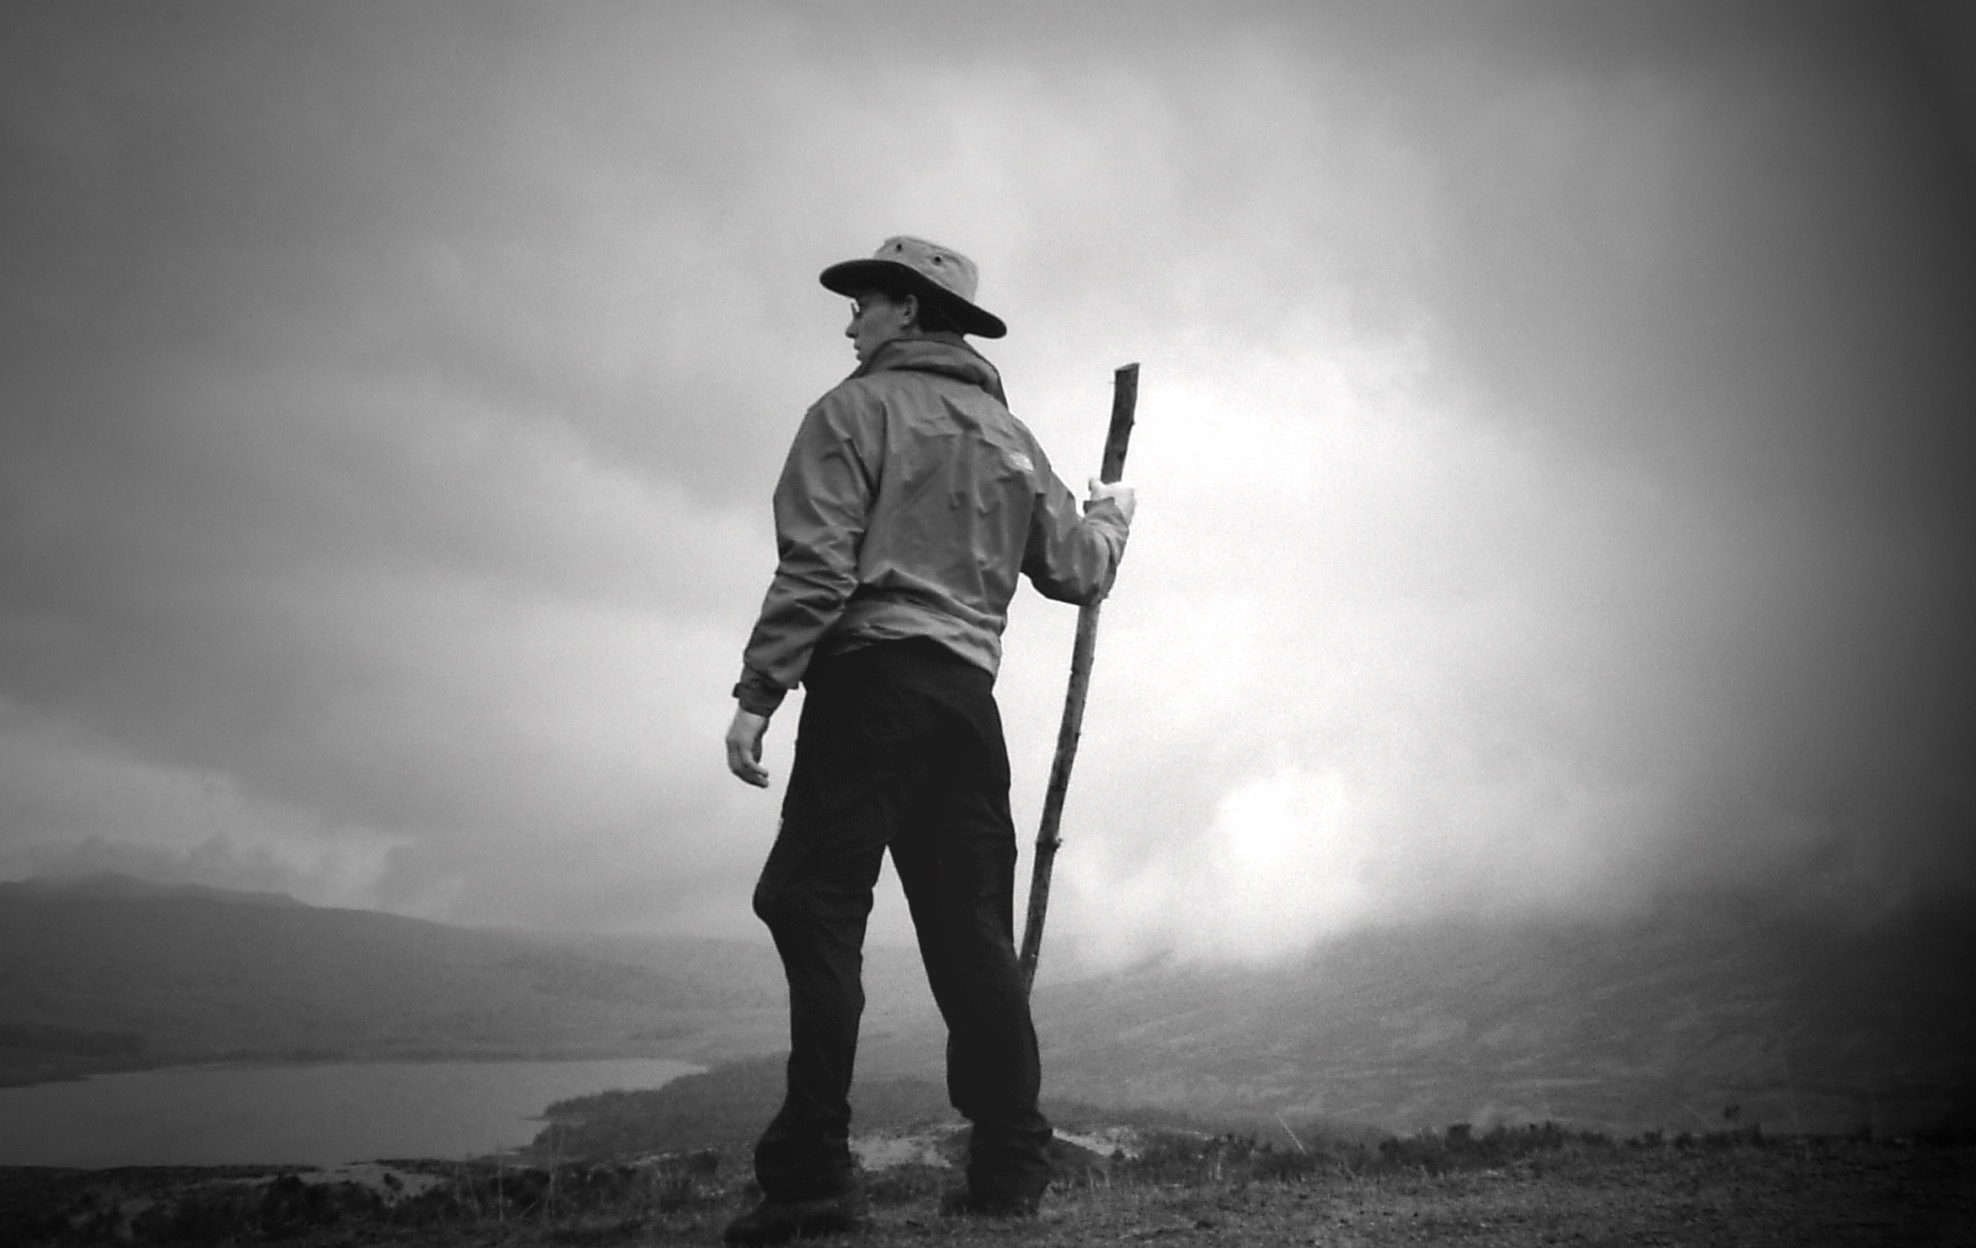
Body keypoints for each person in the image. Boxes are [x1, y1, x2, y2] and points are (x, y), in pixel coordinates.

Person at [721, 236, 1135, 1245]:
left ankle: (812, 1177)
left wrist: (758, 688)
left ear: (906, 311)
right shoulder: (1010, 439)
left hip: (866, 688)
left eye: (861, 303)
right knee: (968, 934)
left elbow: (817, 567)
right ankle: (1007, 1169)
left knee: (809, 903)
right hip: (964, 705)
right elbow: (1080, 569)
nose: (848, 321)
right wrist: (1112, 518)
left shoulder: (848, 413)